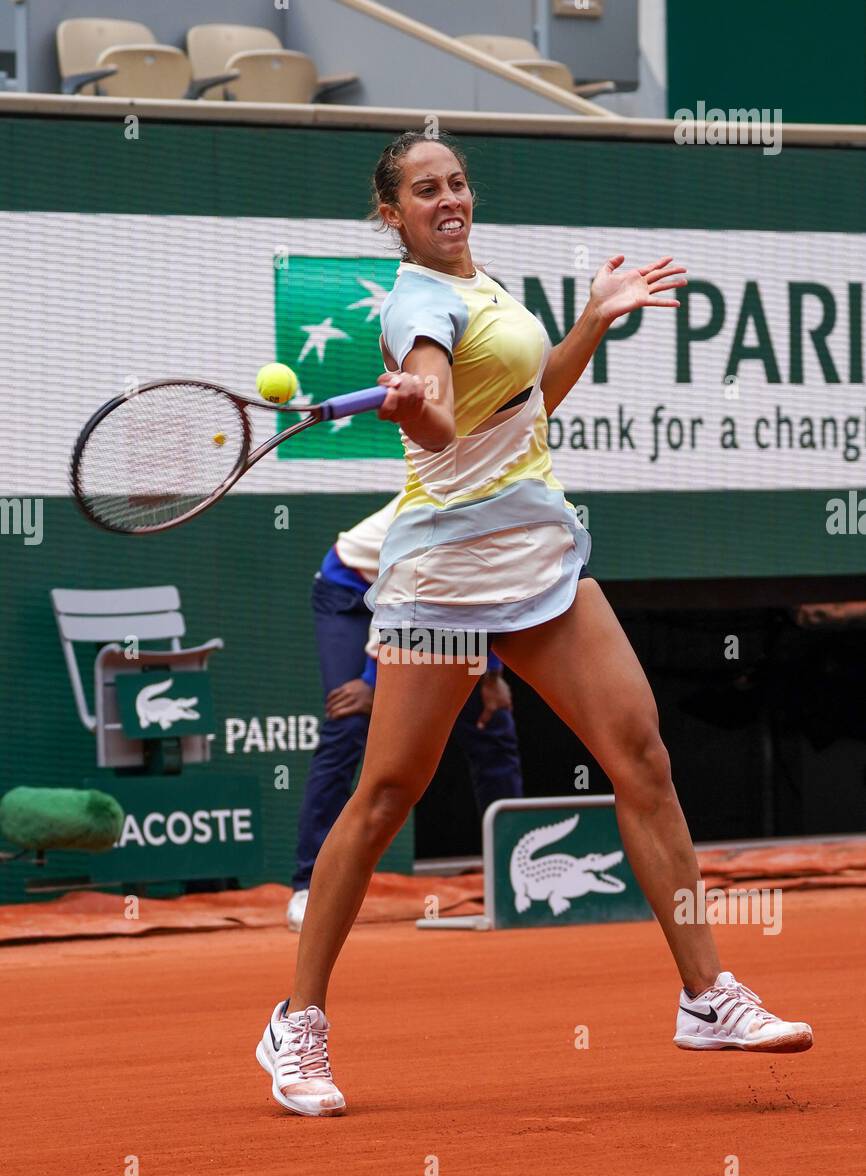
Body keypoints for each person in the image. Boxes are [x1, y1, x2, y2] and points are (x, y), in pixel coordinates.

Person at [256, 131, 812, 1117]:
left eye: (456, 181)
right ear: (390, 213)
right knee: (384, 797)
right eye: (424, 189)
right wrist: (416, 404)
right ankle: (296, 1021)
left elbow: (526, 405)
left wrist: (591, 320)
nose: (448, 198)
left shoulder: (486, 290)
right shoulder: (418, 303)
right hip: (440, 578)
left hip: (538, 559)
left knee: (639, 757)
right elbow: (434, 418)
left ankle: (704, 995)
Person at [287, 495, 523, 929]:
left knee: (492, 722)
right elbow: (400, 592)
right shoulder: (442, 504)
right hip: (352, 590)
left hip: (432, 603)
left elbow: (491, 596)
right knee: (349, 720)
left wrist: (491, 676)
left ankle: (511, 873)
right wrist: (373, 682)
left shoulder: (510, 512)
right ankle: (308, 886)